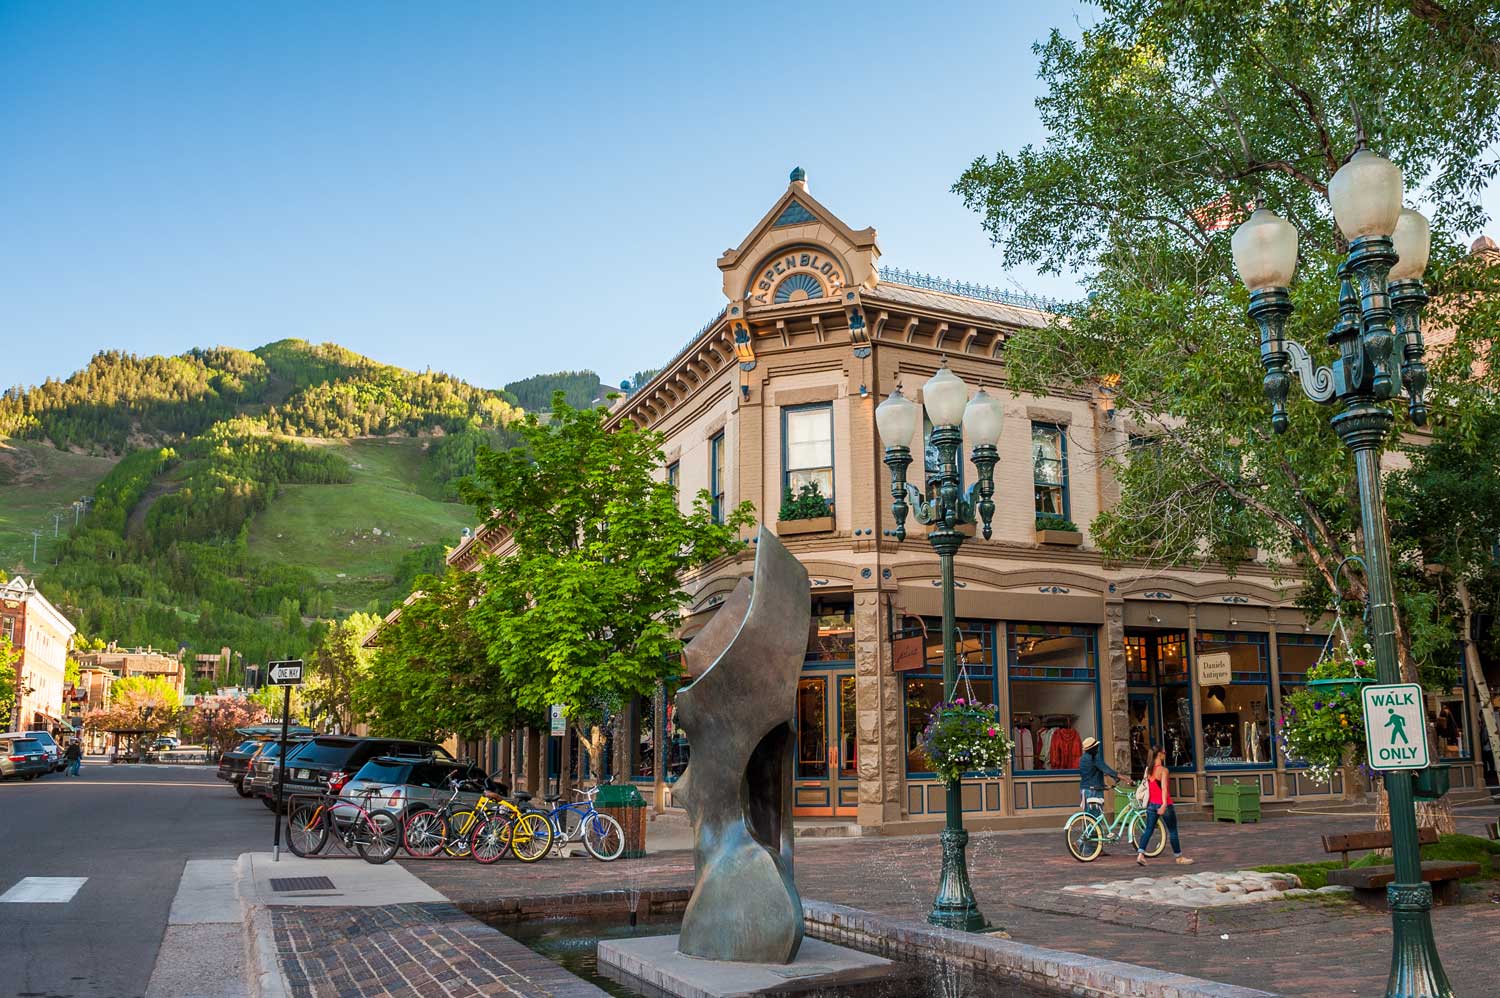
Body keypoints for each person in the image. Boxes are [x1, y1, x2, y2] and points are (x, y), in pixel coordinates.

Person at [1137, 747, 1192, 866]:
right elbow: (1164, 789)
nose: (1165, 754)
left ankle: (1140, 854)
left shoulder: (1149, 770)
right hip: (1164, 804)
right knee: (1172, 831)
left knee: (1148, 830)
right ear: (1159, 755)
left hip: (1151, 804)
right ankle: (1179, 857)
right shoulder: (1163, 770)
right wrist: (1164, 804)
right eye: (1164, 752)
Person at [1078, 735, 1127, 855]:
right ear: (1093, 748)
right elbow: (1106, 769)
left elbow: (1094, 773)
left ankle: (1096, 849)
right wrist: (1123, 777)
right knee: (1095, 820)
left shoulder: (1083, 758)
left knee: (1091, 819)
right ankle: (1082, 843)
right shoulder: (1094, 758)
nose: (1098, 748)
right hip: (1094, 791)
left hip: (1085, 790)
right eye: (1096, 746)